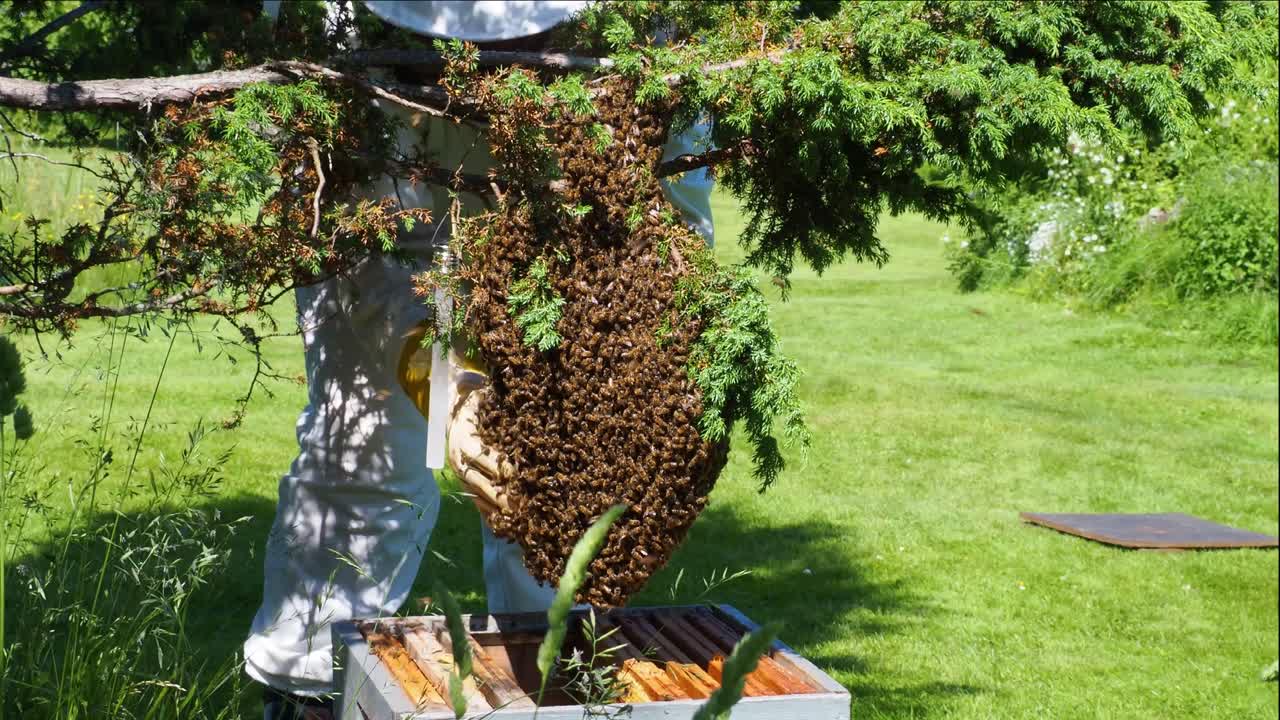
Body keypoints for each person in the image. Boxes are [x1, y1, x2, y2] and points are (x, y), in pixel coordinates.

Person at [244, 3, 715, 719]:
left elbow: (672, 209)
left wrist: (665, 335)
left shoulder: (644, 22)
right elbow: (363, 257)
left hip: (555, 237)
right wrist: (445, 393)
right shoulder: (338, 21)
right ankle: (307, 691)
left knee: (562, 475)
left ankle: (553, 677)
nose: (496, 46)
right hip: (393, 222)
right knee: (364, 461)